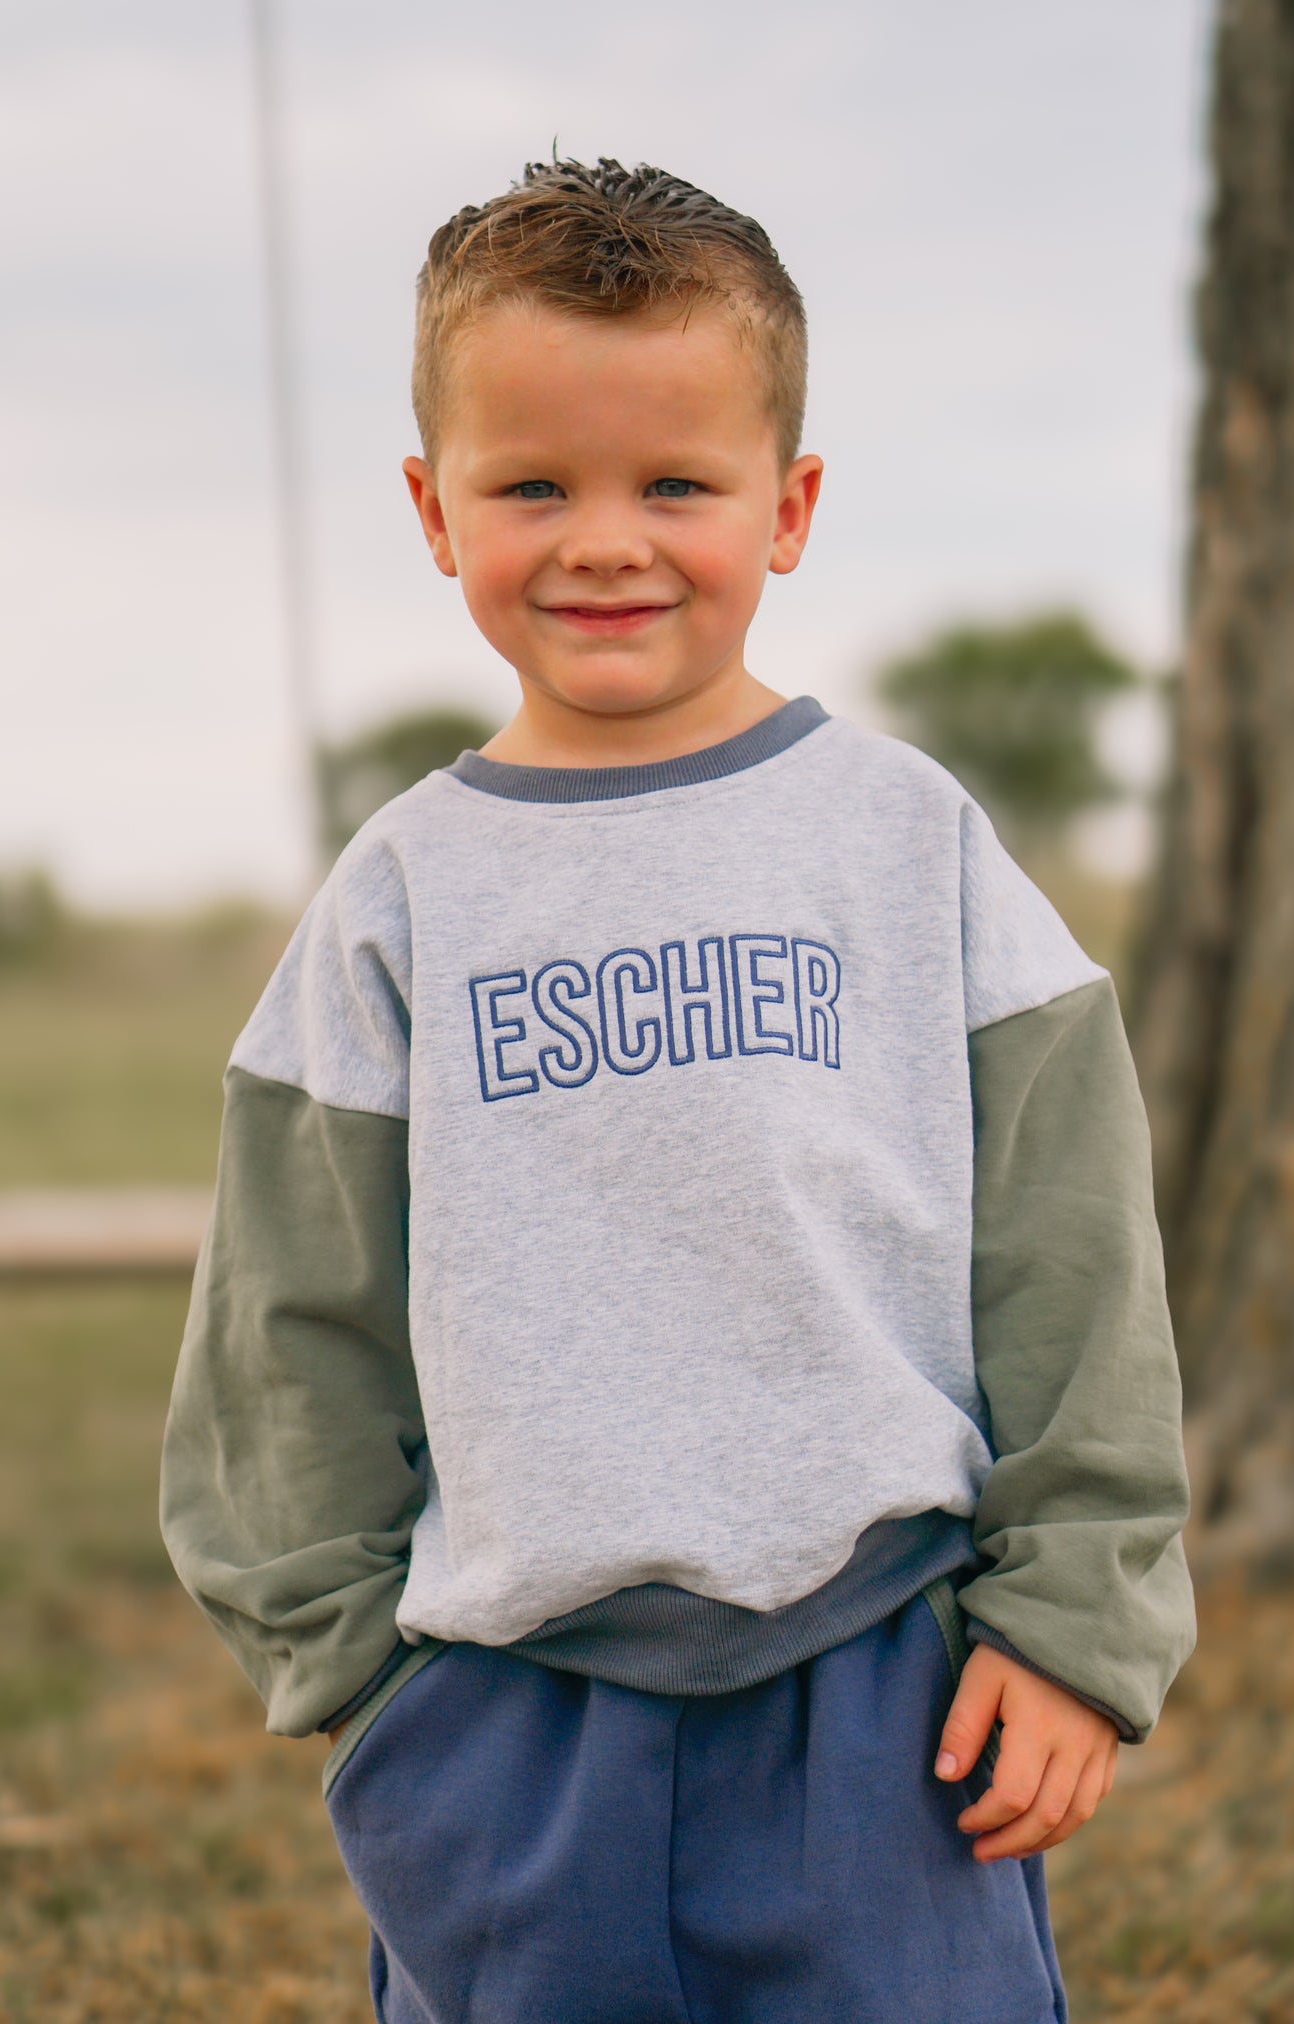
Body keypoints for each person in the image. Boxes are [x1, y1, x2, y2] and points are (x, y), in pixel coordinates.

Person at [160, 156, 1194, 2024]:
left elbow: (1072, 1263)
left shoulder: (907, 842)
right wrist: (377, 1702)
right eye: (532, 484)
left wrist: (1071, 1622)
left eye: (677, 486)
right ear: (432, 504)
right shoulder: (400, 897)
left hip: (885, 1691)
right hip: (513, 1727)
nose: (603, 541)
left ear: (786, 508)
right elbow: (283, 1324)